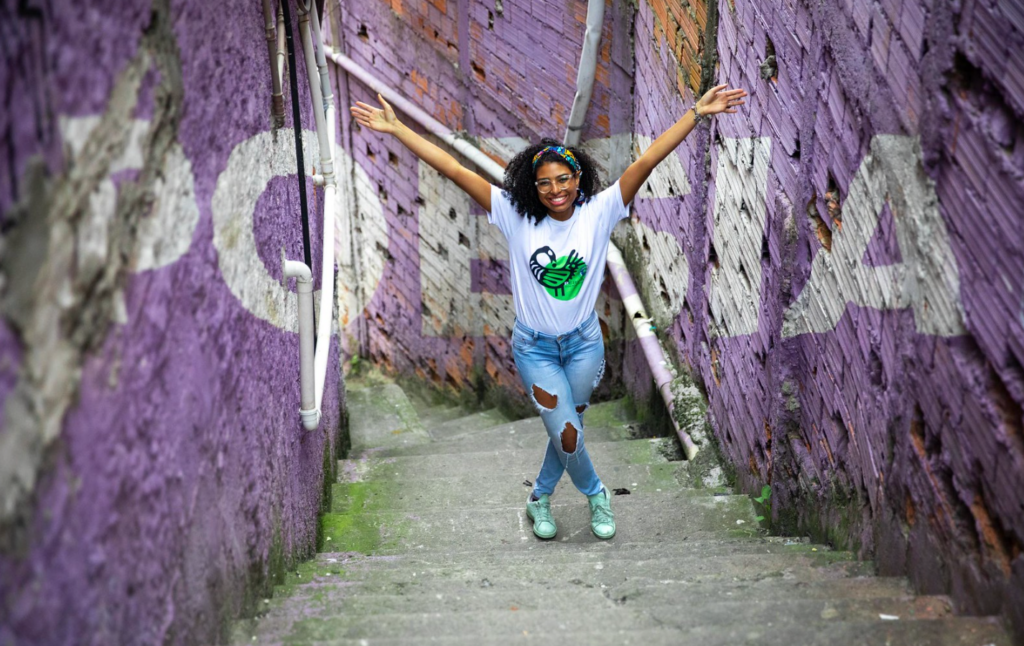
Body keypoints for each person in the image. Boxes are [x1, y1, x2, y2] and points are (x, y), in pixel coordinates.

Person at [351, 83, 747, 540]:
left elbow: (645, 162)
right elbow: (455, 170)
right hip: (534, 349)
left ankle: (539, 497)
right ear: (532, 187)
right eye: (544, 183)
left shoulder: (600, 211)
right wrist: (398, 128)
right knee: (568, 435)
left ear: (578, 180)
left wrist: (696, 114)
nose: (555, 189)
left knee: (567, 431)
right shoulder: (513, 213)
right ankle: (597, 495)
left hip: (583, 345)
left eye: (563, 179)